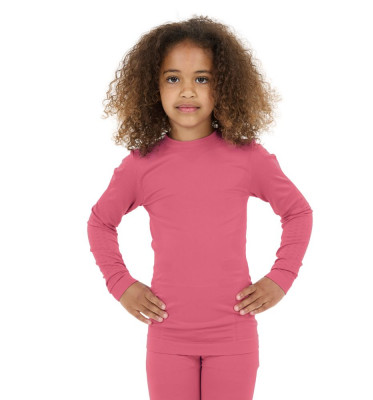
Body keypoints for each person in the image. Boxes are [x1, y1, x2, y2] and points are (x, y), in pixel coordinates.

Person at [87, 15, 313, 400]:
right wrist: (120, 284)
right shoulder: (141, 165)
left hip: (233, 336)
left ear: (224, 85)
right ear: (153, 87)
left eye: (202, 79)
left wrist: (281, 277)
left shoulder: (247, 157)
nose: (188, 91)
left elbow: (298, 213)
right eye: (173, 78)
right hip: (168, 337)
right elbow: (100, 223)